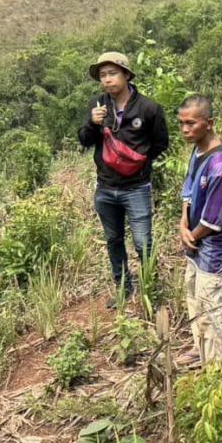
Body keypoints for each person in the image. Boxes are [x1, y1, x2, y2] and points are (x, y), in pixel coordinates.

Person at [78, 52, 170, 307]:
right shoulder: (97, 104)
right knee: (113, 240)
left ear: (127, 75)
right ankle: (123, 289)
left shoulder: (149, 108)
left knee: (142, 242)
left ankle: (151, 287)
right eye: (102, 75)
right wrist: (92, 123)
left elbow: (161, 142)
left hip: (136, 187)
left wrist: (139, 162)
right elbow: (84, 140)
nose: (107, 80)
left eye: (112, 73)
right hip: (105, 188)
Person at [176, 96, 222, 366]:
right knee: (193, 294)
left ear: (209, 123)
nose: (185, 129)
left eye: (191, 123)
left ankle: (218, 366)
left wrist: (191, 235)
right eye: (181, 124)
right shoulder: (198, 150)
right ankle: (200, 347)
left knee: (210, 303)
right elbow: (189, 189)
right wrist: (183, 222)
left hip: (213, 245)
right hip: (195, 241)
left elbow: (213, 220)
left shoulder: (221, 166)